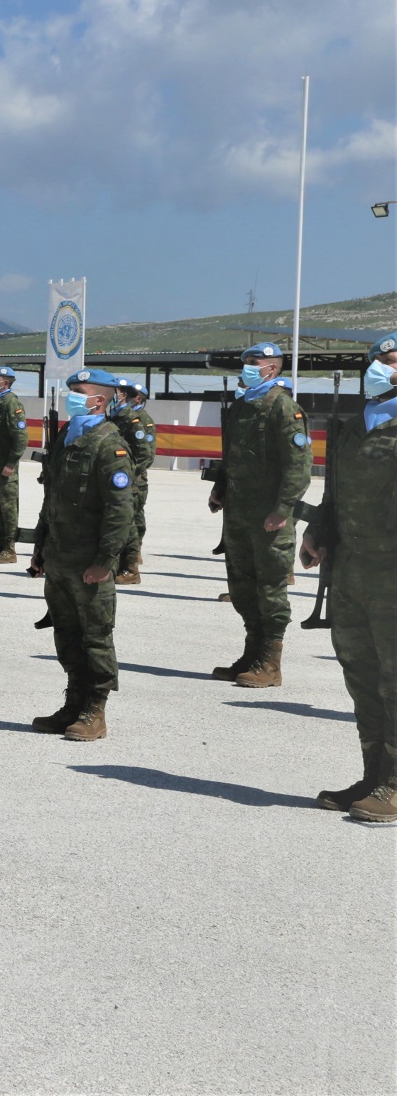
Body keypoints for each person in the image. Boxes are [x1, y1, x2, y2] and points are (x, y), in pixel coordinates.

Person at [300, 331, 397, 820]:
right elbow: (333, 493)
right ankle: (374, 774)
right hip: (354, 571)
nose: (383, 366)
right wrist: (317, 530)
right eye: (380, 358)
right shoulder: (354, 423)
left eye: (393, 360)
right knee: (363, 675)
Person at [27, 369, 135, 741]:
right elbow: (51, 499)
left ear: (99, 400)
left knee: (96, 636)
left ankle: (95, 710)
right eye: (71, 389)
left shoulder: (110, 444)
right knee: (67, 635)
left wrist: (105, 561)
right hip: (59, 556)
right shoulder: (66, 436)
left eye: (79, 391)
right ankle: (73, 702)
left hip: (89, 562)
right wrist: (40, 549)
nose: (73, 395)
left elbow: (120, 511)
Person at [208, 342, 312, 688]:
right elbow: (232, 455)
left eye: (255, 363)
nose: (248, 368)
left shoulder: (283, 408)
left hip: (270, 516)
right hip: (238, 513)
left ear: (273, 369)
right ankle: (251, 652)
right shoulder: (241, 407)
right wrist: (220, 489)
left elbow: (299, 466)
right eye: (246, 362)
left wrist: (283, 510)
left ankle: (270, 662)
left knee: (269, 587)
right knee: (242, 585)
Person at [105, 376, 156, 584]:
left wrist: (129, 474)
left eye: (113, 391)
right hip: (117, 479)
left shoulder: (131, 419)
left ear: (122, 395)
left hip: (131, 481)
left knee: (131, 523)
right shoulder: (114, 416)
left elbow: (146, 454)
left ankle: (131, 568)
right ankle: (118, 564)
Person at [0, 365, 28, 563]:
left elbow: (20, 437)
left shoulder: (11, 403)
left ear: (6, 382)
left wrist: (11, 463)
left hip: (4, 466)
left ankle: (9, 549)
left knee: (8, 507)